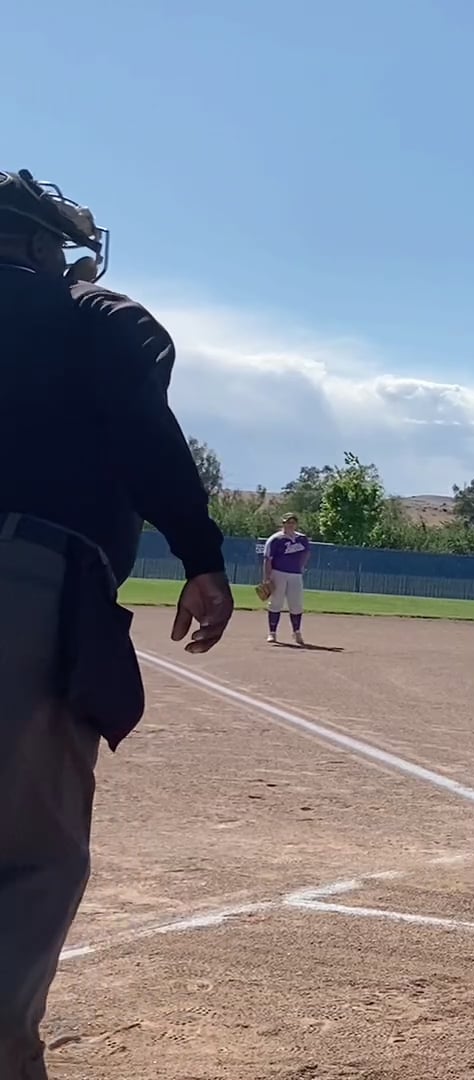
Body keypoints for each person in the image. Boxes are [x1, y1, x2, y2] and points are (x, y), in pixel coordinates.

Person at [0, 168, 233, 1080]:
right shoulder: (93, 315)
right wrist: (200, 553)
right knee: (32, 853)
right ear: (37, 244)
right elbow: (142, 428)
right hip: (27, 577)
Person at [262, 514, 311, 645]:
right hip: (278, 573)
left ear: (296, 524)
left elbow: (306, 553)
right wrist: (267, 578)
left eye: (293, 522)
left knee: (296, 604)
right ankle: (272, 633)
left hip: (295, 574)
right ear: (283, 524)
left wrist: (302, 566)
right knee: (276, 603)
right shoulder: (275, 539)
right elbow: (267, 559)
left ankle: (297, 632)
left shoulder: (302, 539)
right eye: (287, 522)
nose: (290, 525)